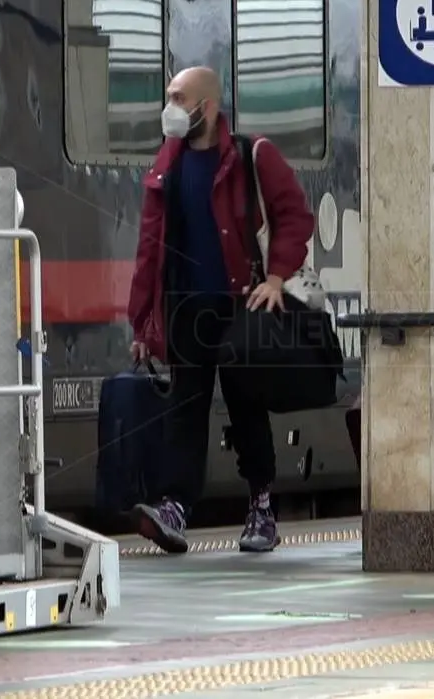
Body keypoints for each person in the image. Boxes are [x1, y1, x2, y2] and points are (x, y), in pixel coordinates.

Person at [127, 66, 315, 554]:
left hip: (241, 305)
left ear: (206, 107)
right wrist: (142, 322)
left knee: (245, 405)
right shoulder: (166, 165)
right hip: (186, 307)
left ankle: (261, 503)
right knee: (183, 410)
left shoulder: (253, 155)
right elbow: (151, 248)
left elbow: (296, 214)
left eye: (177, 97)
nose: (169, 107)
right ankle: (175, 506)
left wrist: (275, 278)